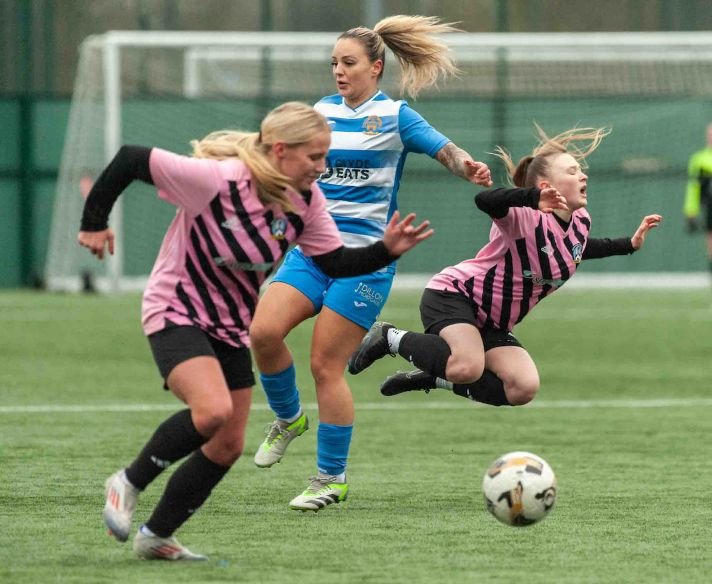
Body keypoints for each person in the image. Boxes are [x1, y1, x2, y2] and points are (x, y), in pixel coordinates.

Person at [77, 102, 432, 561]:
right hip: (177, 308)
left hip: (227, 325)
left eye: (326, 157)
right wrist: (93, 222)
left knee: (227, 445)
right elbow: (129, 159)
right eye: (315, 157)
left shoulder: (306, 201)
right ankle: (126, 482)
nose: (323, 168)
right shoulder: (217, 181)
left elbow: (334, 263)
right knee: (212, 412)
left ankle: (156, 535)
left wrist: (384, 250)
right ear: (281, 151)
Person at [248, 15, 492, 512]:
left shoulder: (396, 116)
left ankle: (330, 479)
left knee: (323, 365)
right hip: (312, 253)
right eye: (334, 62)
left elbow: (445, 149)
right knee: (262, 333)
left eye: (349, 62)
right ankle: (289, 418)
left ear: (376, 67)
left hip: (364, 264)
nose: (339, 71)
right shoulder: (319, 113)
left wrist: (466, 165)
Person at [348, 125, 663, 407]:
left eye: (580, 170)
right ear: (544, 184)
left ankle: (435, 377)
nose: (583, 176)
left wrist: (629, 245)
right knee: (467, 366)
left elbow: (574, 250)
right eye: (571, 171)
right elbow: (486, 201)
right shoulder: (523, 215)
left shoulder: (581, 221)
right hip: (454, 296)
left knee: (522, 388)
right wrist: (530, 198)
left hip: (493, 323)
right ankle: (388, 336)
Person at [684, 122, 712, 277]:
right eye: (710, 134)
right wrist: (691, 211)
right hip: (710, 207)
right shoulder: (699, 159)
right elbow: (693, 188)